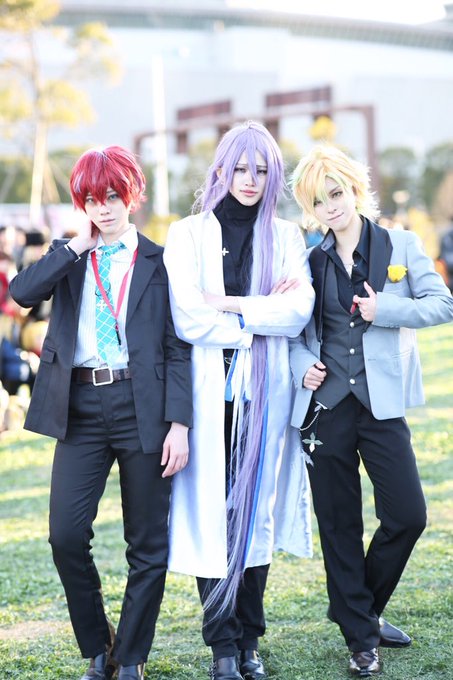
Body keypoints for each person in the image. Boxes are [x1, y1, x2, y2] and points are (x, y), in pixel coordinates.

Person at [9, 146, 193, 680]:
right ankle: (99, 646)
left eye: (112, 196)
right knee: (65, 535)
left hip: (144, 406)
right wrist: (74, 246)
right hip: (82, 405)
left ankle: (130, 658)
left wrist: (179, 423)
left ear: (131, 196)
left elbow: (177, 347)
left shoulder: (160, 261)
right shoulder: (70, 257)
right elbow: (21, 293)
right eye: (92, 199)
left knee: (147, 544)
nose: (103, 208)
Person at [289, 144, 453, 677]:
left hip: (381, 405)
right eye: (319, 201)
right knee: (338, 525)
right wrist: (303, 366)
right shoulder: (308, 260)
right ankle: (362, 639)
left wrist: (387, 309)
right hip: (325, 408)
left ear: (355, 189)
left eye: (336, 193)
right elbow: (293, 332)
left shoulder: (400, 244)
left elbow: (443, 303)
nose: (330, 207)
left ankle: (356, 610)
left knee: (408, 515)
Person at [163, 121, 315, 680]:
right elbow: (188, 318)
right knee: (212, 518)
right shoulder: (186, 234)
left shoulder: (287, 236)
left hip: (265, 395)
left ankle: (249, 641)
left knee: (255, 515)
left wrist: (227, 304)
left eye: (261, 170)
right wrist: (258, 319)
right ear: (222, 169)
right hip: (209, 396)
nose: (250, 180)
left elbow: (297, 312)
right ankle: (222, 647)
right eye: (240, 168)